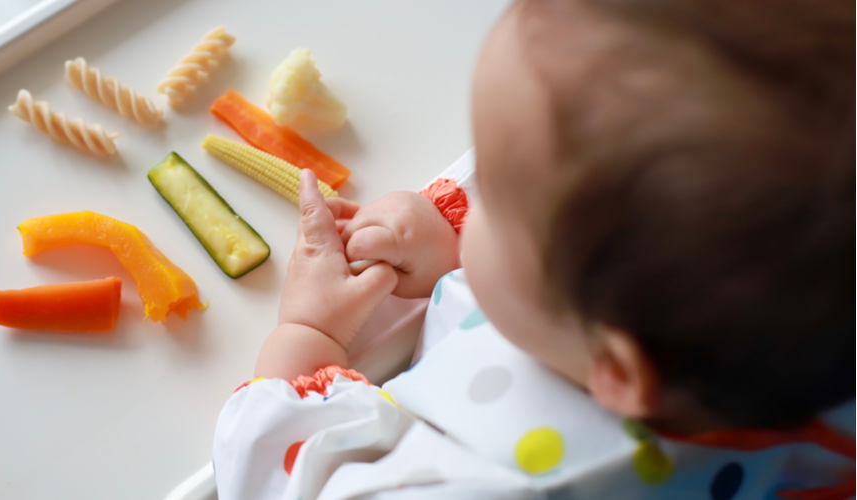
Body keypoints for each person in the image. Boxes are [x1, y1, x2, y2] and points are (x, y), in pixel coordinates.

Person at [213, 0, 855, 498]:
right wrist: (451, 251)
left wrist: (309, 333)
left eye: (487, 192)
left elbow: (277, 478)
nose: (466, 194)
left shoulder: (493, 482)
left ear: (618, 370)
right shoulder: (791, 327)